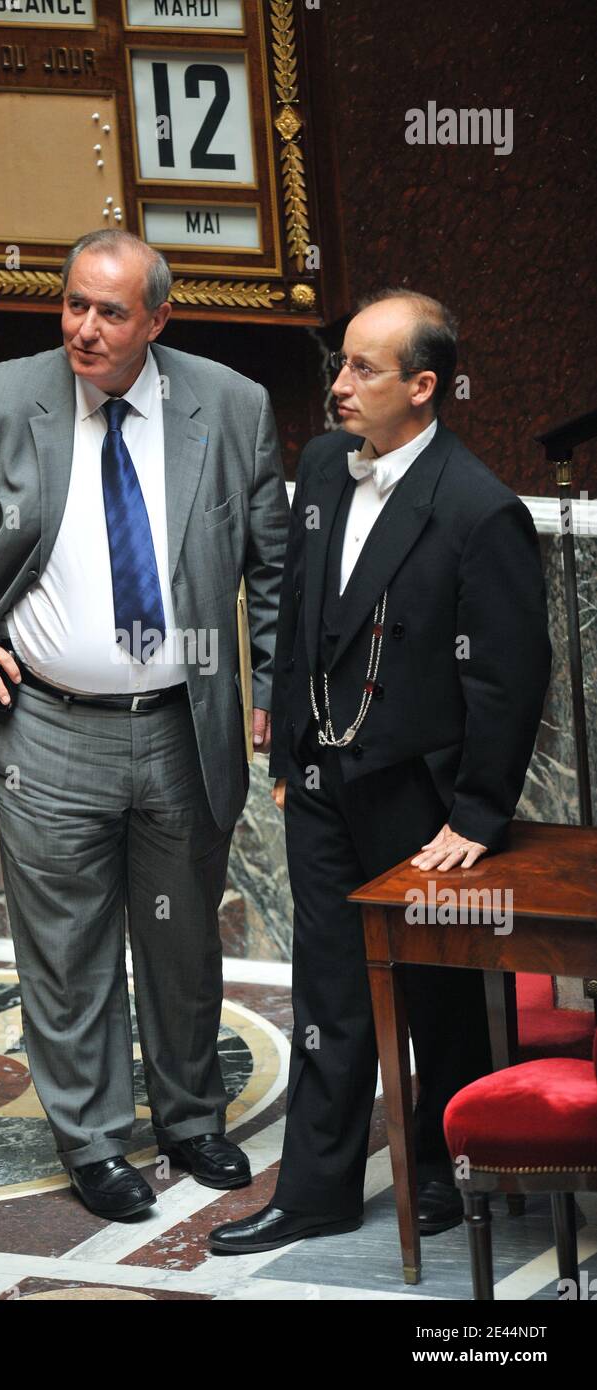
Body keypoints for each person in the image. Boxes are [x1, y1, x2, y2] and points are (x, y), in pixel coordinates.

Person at [0, 229, 289, 1221]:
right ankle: (92, 1138)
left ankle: (190, 1117)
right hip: (46, 725)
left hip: (183, 722)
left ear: (157, 319)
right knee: (66, 947)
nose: (83, 330)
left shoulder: (227, 406)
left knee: (182, 937)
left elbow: (272, 561)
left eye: (108, 312)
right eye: (71, 305)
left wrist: (270, 682)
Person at [209, 288, 552, 1253]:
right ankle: (314, 1191)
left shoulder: (480, 509)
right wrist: (286, 750)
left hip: (422, 795)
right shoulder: (321, 467)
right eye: (340, 363)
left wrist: (479, 814)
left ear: (424, 386)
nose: (339, 385)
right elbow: (294, 605)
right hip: (322, 782)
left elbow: (509, 675)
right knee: (327, 989)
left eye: (363, 368)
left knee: (438, 993)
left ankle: (453, 1165)